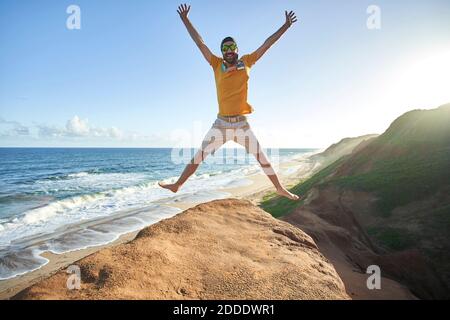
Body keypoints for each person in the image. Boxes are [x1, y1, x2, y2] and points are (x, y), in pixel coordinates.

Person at [159, 3, 300, 201]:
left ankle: (279, 188)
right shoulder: (216, 64)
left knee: (261, 156)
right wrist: (185, 20)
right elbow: (200, 43)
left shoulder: (247, 61)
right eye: (225, 48)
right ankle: (177, 185)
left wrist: (285, 26)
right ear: (222, 51)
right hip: (221, 124)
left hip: (241, 123)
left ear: (236, 49)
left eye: (232, 47)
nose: (229, 50)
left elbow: (267, 44)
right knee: (199, 156)